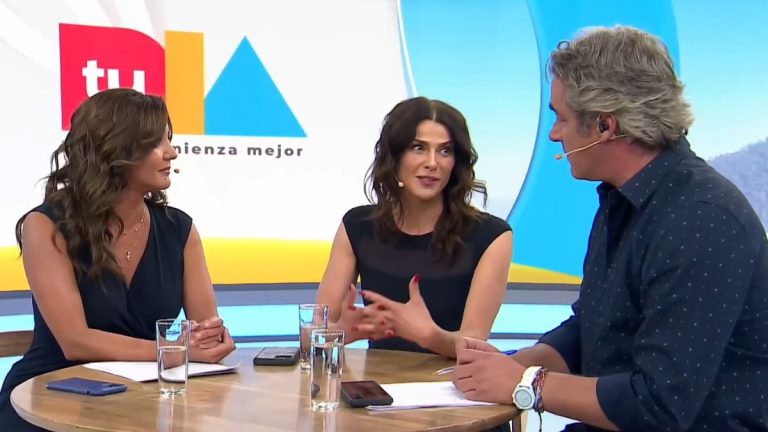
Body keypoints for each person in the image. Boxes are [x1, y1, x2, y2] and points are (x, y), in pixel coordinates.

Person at [452, 25, 768, 431]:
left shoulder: (702, 221)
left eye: (561, 118)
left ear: (605, 126)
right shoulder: (621, 202)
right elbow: (593, 330)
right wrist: (511, 366)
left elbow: (657, 408)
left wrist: (526, 384)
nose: (554, 134)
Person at [0, 88, 236, 430]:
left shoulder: (179, 229)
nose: (172, 152)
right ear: (116, 150)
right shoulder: (46, 225)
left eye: (168, 140)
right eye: (156, 143)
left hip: (140, 403)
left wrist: (212, 338)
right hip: (51, 400)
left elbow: (203, 330)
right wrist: (170, 350)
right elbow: (75, 342)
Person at [316, 97, 513, 358]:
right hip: (376, 381)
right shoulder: (357, 226)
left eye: (445, 151)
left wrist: (427, 335)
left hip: (450, 382)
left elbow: (474, 345)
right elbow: (312, 334)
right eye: (418, 148)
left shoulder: (491, 236)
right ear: (395, 156)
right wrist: (343, 331)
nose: (432, 162)